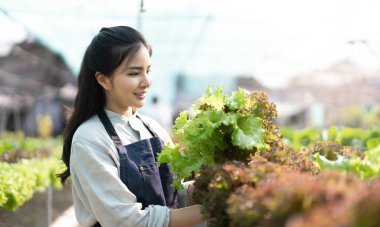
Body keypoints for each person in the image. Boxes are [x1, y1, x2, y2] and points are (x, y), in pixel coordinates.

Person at [58, 26, 204, 227]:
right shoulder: (90, 139)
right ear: (103, 80)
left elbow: (173, 195)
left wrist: (214, 188)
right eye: (134, 73)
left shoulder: (152, 127)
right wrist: (209, 210)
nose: (146, 82)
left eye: (148, 70)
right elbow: (127, 221)